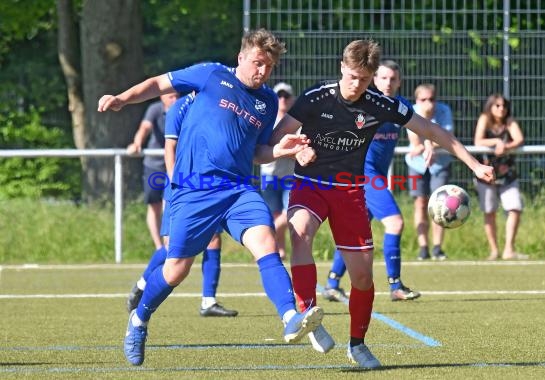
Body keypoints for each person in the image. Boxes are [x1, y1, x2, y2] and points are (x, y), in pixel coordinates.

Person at [98, 29, 324, 367]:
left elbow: (258, 151)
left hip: (238, 190)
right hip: (194, 188)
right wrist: (123, 98)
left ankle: (290, 316)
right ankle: (139, 320)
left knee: (266, 241)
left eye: (270, 66)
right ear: (242, 57)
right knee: (176, 270)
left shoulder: (267, 101)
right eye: (259, 63)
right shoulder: (211, 74)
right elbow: (160, 84)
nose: (263, 71)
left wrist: (279, 148)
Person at [271, 40, 494, 369]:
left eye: (364, 79)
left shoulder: (381, 104)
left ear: (373, 77)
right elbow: (278, 137)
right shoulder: (315, 97)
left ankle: (357, 344)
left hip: (350, 191)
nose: (356, 85)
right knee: (299, 231)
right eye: (351, 76)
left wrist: (475, 165)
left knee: (362, 276)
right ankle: (309, 315)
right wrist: (294, 150)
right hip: (311, 184)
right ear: (341, 68)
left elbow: (431, 130)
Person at [125, 93, 238, 318]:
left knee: (214, 241)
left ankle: (208, 301)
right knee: (171, 248)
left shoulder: (216, 108)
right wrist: (178, 183)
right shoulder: (179, 110)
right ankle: (142, 284)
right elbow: (170, 150)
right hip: (183, 187)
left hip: (209, 187)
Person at [322, 60, 421, 303]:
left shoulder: (401, 106)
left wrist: (422, 146)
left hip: (373, 173)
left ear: (400, 82)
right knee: (395, 223)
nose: (388, 83)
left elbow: (417, 134)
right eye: (383, 78)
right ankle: (396, 286)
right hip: (363, 174)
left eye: (393, 79)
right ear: (374, 80)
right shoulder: (365, 104)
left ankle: (332, 283)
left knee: (355, 232)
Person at [473, 93, 527, 261]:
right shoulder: (484, 119)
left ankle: (509, 249)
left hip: (507, 174)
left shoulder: (509, 121)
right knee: (490, 211)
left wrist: (507, 146)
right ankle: (494, 250)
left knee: (515, 207)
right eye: (497, 105)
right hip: (486, 173)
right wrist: (496, 142)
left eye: (503, 105)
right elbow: (478, 140)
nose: (501, 109)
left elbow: (519, 139)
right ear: (490, 107)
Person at [406, 83, 455, 260]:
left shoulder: (444, 111)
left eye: (432, 99)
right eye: (423, 99)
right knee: (420, 203)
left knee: (440, 205)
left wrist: (428, 145)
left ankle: (437, 248)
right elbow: (414, 141)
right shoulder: (410, 110)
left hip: (440, 164)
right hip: (416, 164)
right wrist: (427, 143)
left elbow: (446, 138)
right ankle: (423, 248)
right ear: (416, 100)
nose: (429, 103)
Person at [127, 93, 179, 251]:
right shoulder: (155, 109)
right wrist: (137, 143)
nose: (175, 100)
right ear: (162, 98)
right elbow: (145, 127)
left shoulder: (183, 108)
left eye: (177, 96)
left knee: (173, 204)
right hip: (155, 166)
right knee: (155, 205)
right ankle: (159, 248)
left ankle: (172, 244)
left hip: (176, 167)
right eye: (171, 97)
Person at [259, 82, 296, 260]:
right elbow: (261, 148)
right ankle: (279, 250)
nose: (282, 99)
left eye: (286, 96)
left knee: (289, 214)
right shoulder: (267, 120)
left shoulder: (297, 122)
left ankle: (264, 242)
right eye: (279, 96)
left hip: (290, 176)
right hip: (269, 175)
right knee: (275, 214)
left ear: (292, 99)